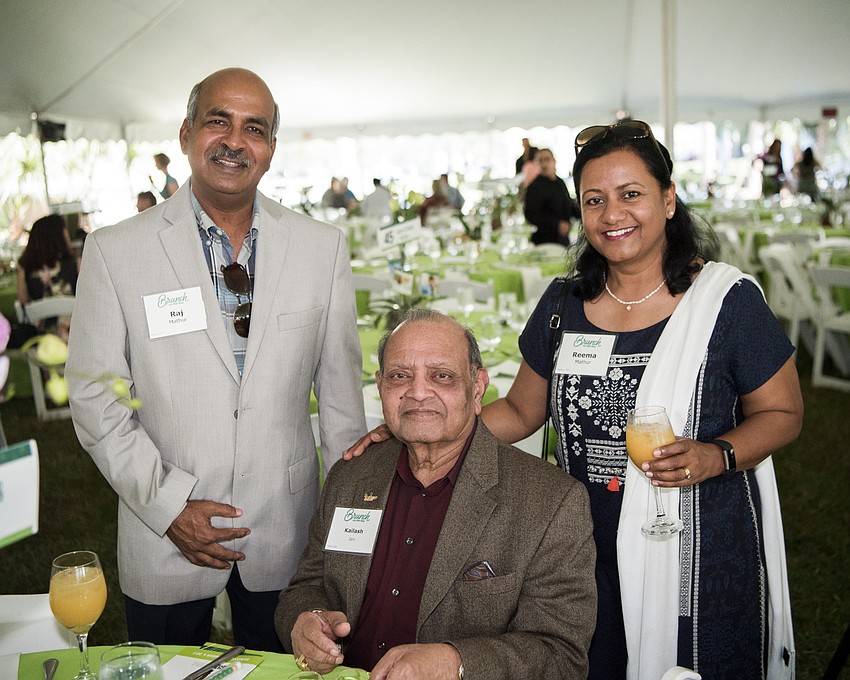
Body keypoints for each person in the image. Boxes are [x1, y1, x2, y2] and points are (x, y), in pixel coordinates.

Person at [345, 120, 804, 680]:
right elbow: (521, 411)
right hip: (578, 537)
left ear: (668, 199)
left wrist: (717, 455)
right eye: (594, 200)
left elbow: (783, 413)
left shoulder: (725, 302)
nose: (612, 215)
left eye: (630, 194)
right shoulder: (564, 304)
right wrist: (419, 430)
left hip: (694, 538)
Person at [66, 67, 366, 652]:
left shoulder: (321, 248)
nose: (234, 141)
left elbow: (341, 408)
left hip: (287, 533)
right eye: (217, 122)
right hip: (163, 532)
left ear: (271, 148)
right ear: (186, 134)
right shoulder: (115, 251)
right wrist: (169, 507)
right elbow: (96, 398)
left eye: (254, 128)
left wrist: (346, 536)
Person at [276, 309, 596, 680]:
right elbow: (307, 588)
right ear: (380, 386)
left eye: (441, 376)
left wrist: (455, 663)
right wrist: (306, 621)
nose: (418, 392)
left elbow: (560, 655)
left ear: (477, 388)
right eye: (400, 376)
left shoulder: (550, 503)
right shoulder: (351, 477)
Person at [16, 213, 78, 339]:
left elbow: (23, 302)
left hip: (43, 340)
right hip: (77, 336)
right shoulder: (76, 264)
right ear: (59, 236)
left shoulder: (25, 268)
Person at [523, 148, 578, 246]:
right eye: (540, 160)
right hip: (544, 240)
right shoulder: (534, 187)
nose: (544, 164)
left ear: (554, 161)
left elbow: (567, 204)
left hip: (563, 239)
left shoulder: (559, 182)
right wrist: (557, 224)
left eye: (547, 159)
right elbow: (530, 215)